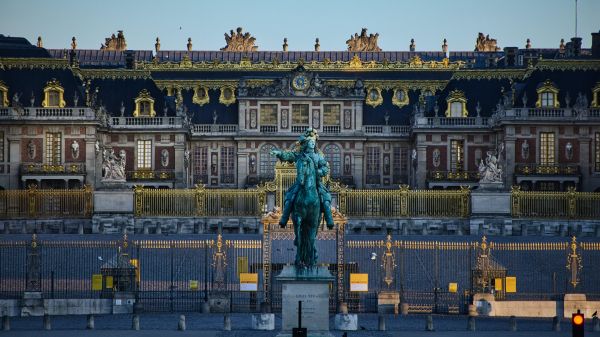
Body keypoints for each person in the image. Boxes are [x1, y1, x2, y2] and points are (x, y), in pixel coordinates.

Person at [270, 128, 334, 229]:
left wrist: (319, 172)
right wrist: (279, 153)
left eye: (314, 141)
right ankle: (284, 218)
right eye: (310, 142)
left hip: (316, 183)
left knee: (326, 200)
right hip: (300, 183)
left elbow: (325, 168)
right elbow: (289, 155)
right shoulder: (300, 155)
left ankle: (329, 219)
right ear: (306, 143)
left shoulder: (318, 156)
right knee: (289, 198)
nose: (312, 143)